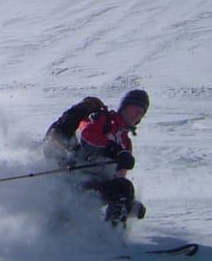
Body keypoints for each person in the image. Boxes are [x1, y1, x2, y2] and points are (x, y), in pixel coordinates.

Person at [43, 88, 150, 226]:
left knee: (124, 187)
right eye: (135, 108)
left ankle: (112, 234)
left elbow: (118, 179)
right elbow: (86, 137)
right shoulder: (102, 119)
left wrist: (129, 204)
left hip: (94, 188)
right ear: (124, 106)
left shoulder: (126, 143)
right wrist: (113, 149)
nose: (137, 114)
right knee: (60, 223)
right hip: (74, 182)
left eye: (141, 113)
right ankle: (108, 236)